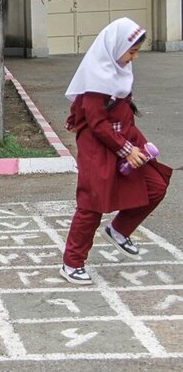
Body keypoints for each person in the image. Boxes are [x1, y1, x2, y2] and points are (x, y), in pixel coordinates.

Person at [60, 17, 171, 285]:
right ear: (115, 46)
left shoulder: (120, 72)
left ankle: (120, 230)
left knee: (156, 184)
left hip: (125, 136)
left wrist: (137, 146)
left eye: (136, 52)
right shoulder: (97, 76)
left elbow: (124, 114)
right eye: (131, 51)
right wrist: (125, 149)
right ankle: (72, 263)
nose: (134, 58)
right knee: (92, 203)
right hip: (98, 146)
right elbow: (96, 123)